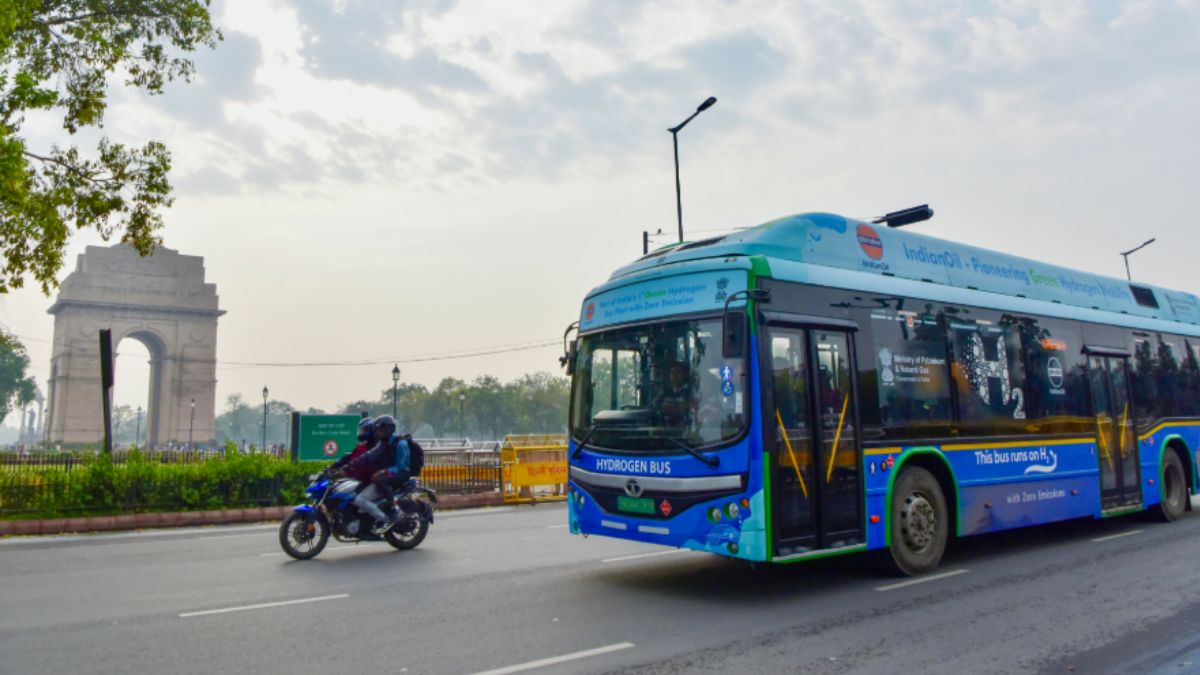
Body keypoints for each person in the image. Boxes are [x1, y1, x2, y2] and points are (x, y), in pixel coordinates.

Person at [343, 414, 412, 533]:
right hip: (391, 471)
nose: (378, 433)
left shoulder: (400, 444)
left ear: (388, 429)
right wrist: (351, 464)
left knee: (379, 479)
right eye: (377, 430)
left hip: (402, 473)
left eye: (380, 430)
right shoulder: (384, 443)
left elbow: (401, 466)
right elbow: (369, 455)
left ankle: (394, 509)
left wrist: (384, 471)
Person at [327, 417, 376, 483]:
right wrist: (333, 467)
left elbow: (363, 464)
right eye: (360, 430)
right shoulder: (363, 445)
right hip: (357, 479)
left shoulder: (375, 447)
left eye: (362, 431)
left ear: (370, 431)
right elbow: (351, 458)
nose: (360, 433)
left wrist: (348, 472)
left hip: (368, 481)